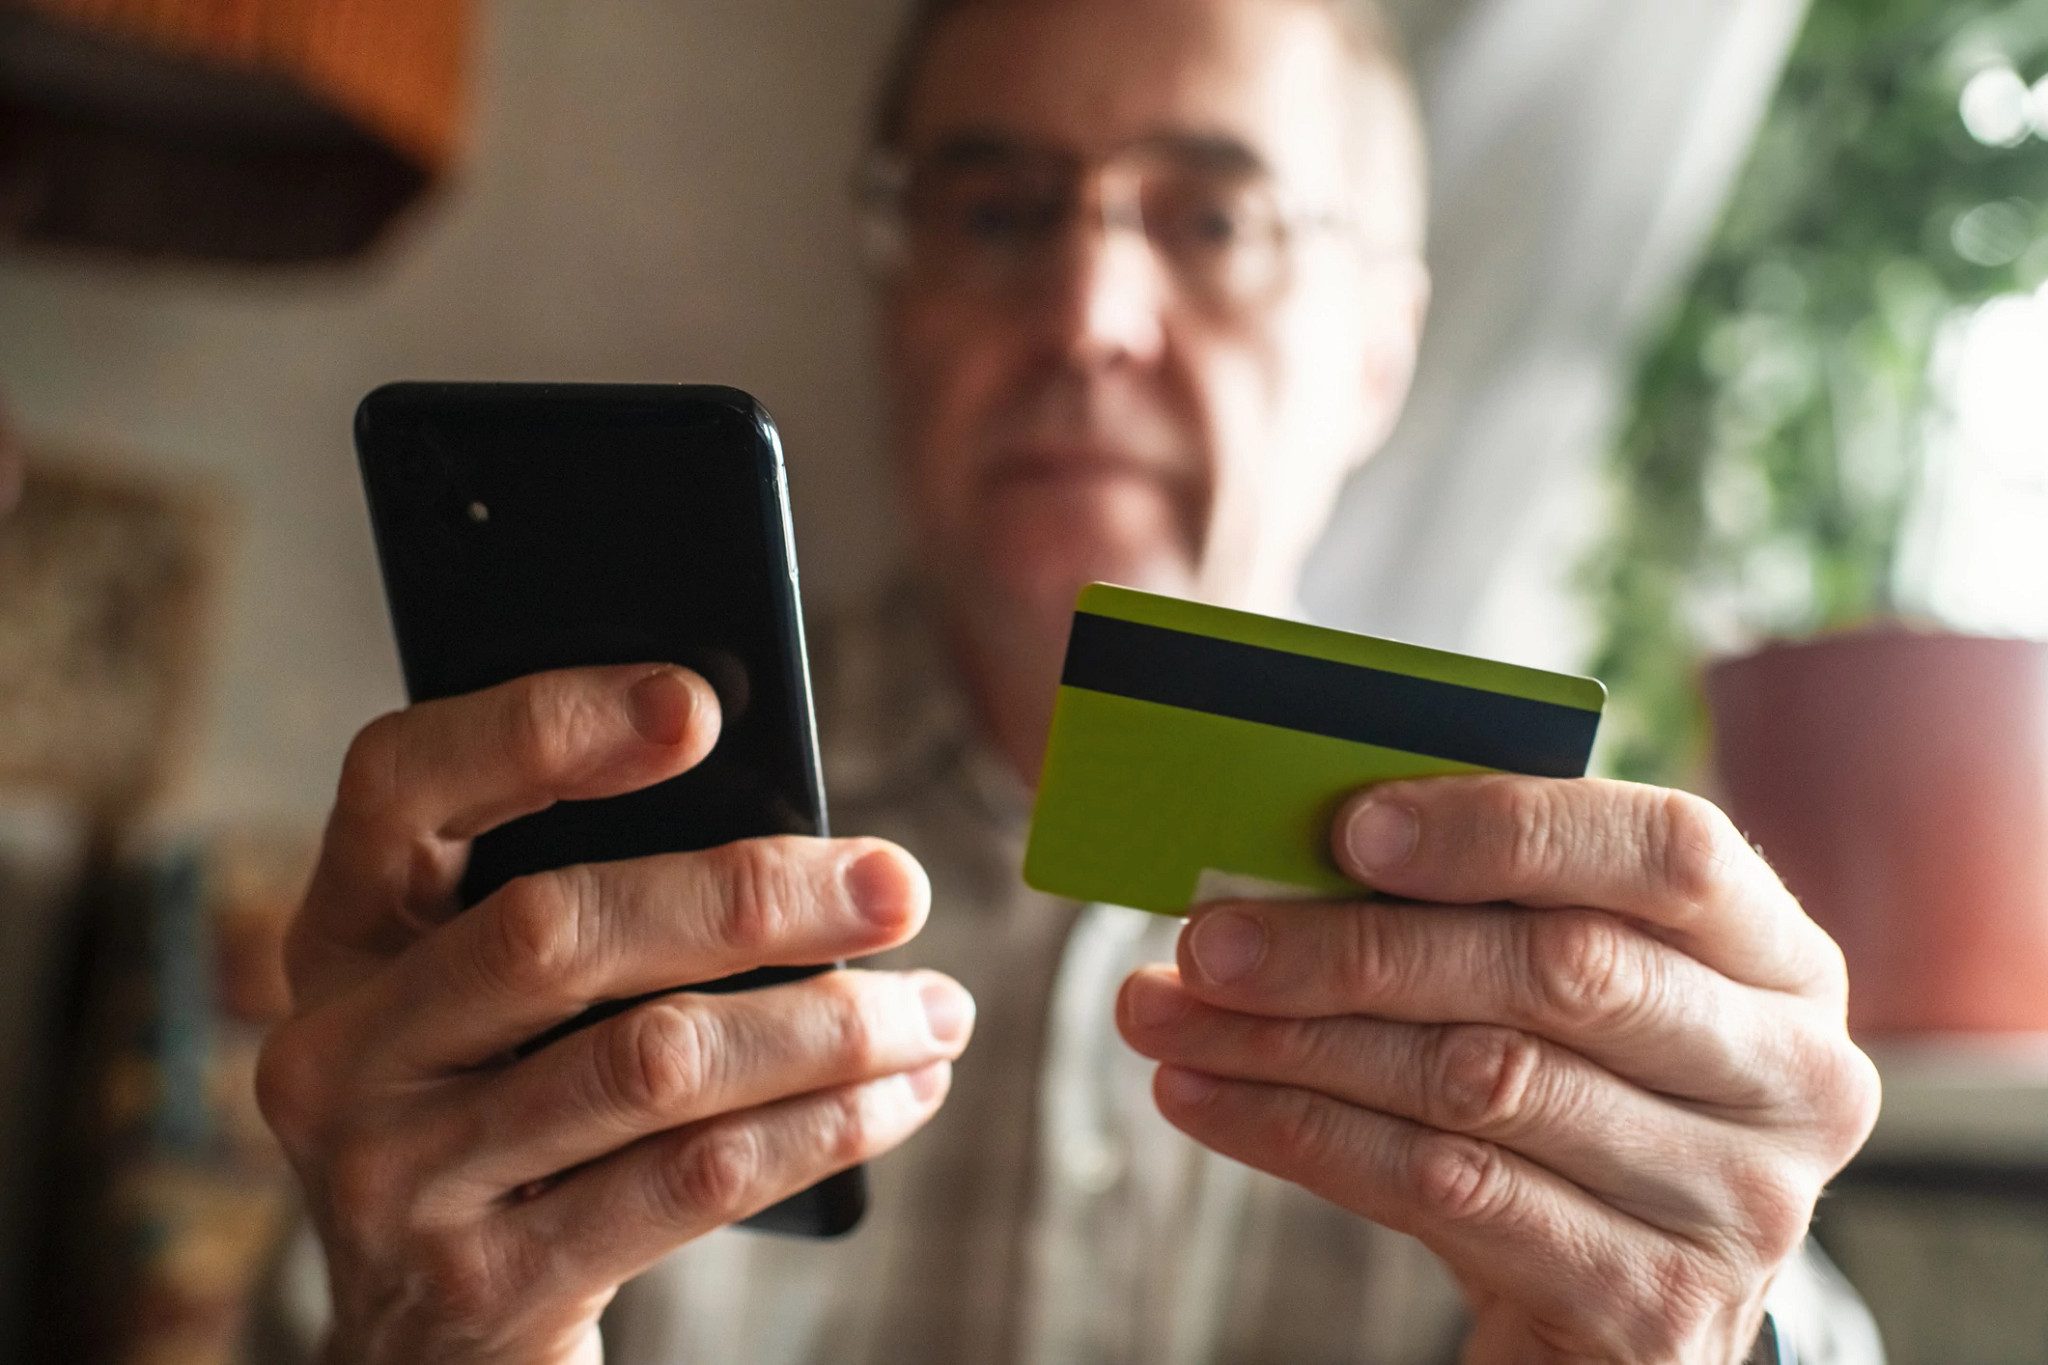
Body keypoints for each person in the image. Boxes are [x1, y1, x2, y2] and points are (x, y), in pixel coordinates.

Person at [255, 0, 1885, 1361]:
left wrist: (1718, 1326)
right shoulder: (563, 854)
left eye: (1218, 219)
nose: (1088, 315)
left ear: (1378, 354)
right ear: (897, 297)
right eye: (999, 210)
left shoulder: (1578, 963)